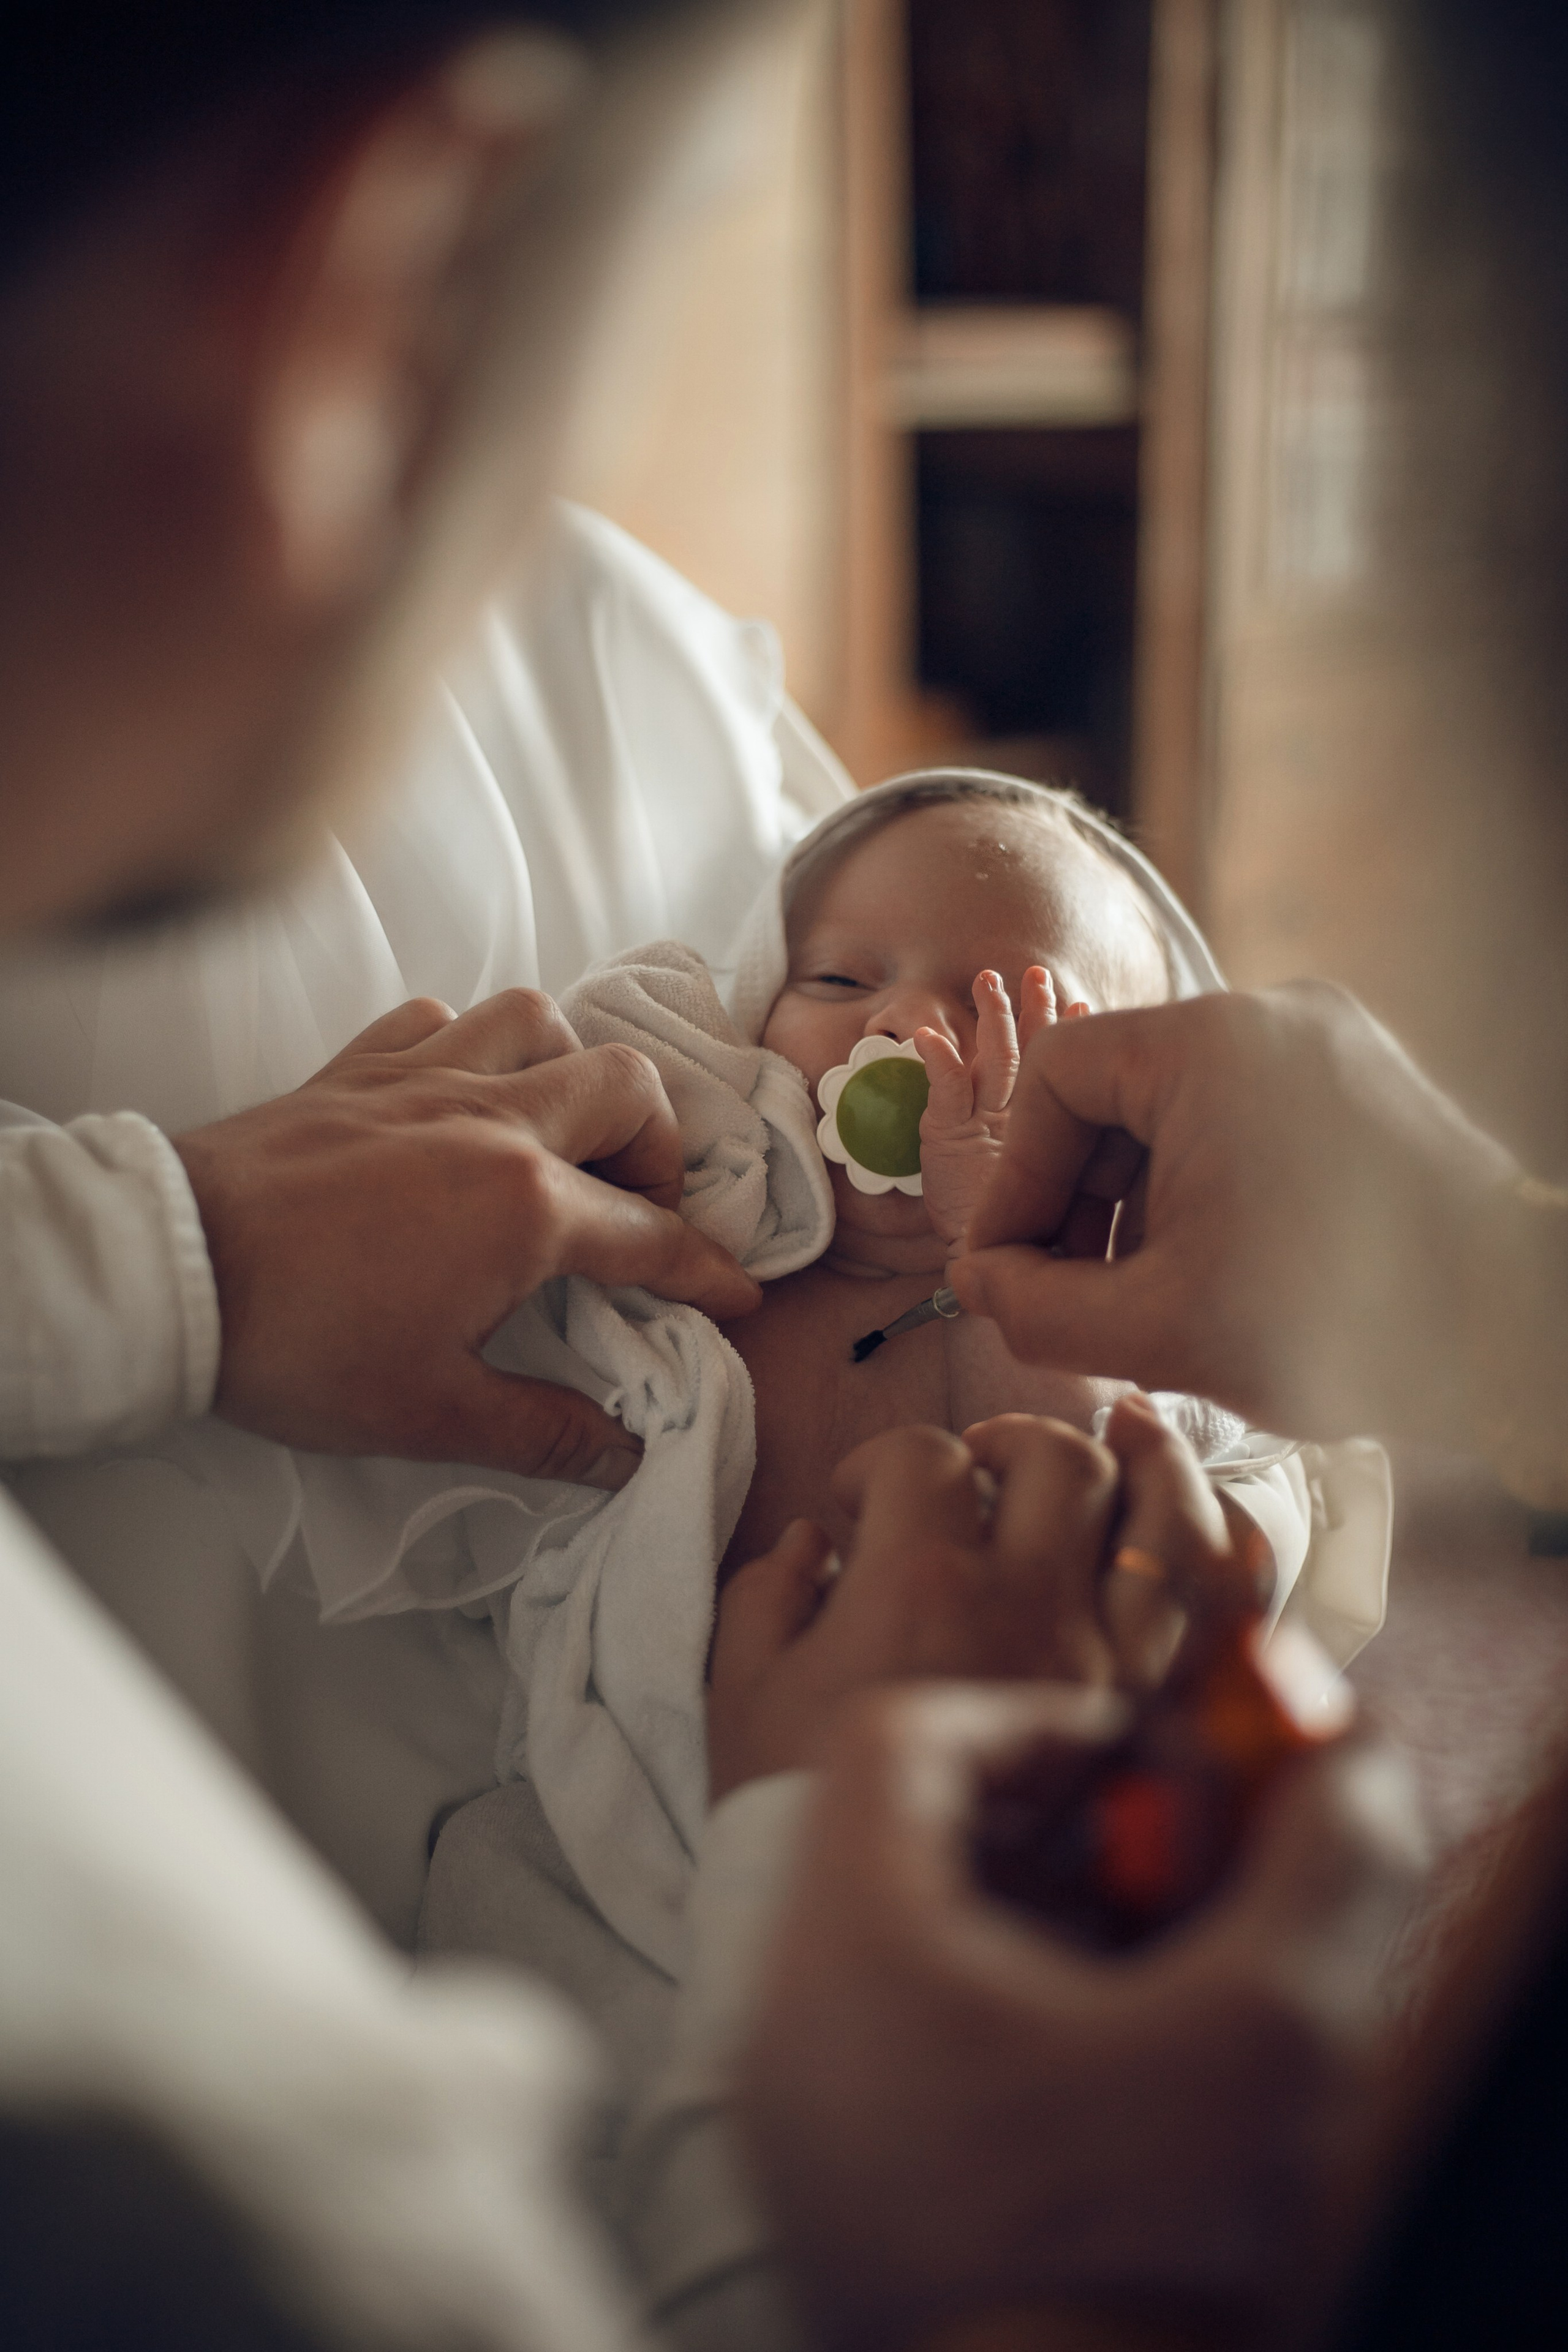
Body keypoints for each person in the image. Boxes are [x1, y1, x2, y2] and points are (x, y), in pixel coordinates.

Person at [0, 3, 1441, 2349]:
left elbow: (1256, 1525)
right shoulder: (211, 2195)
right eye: (837, 970)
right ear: (360, 281)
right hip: (651, 1870)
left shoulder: (1126, 1305)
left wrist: (175, 1253)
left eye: (984, 1008)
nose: (884, 1032)